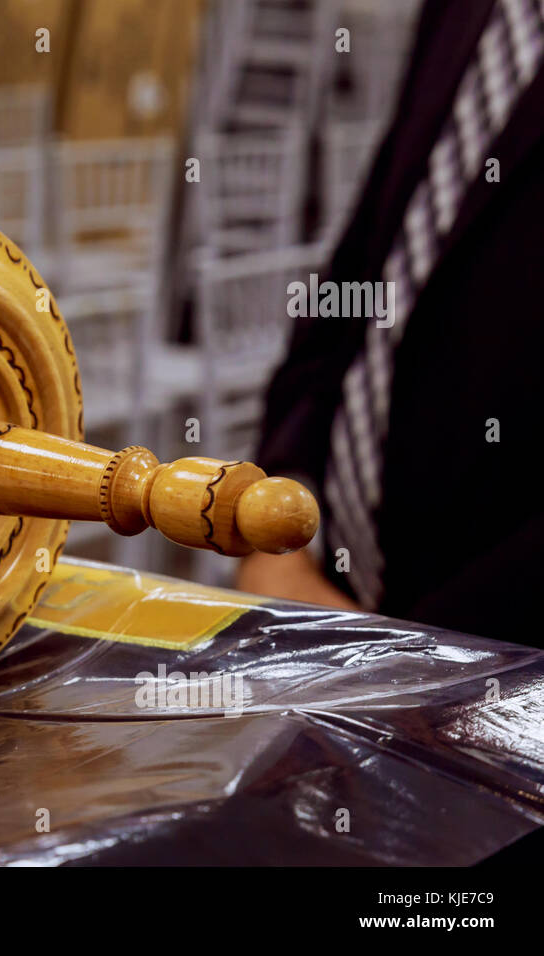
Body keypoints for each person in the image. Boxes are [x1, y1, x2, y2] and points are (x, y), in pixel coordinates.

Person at [236, 0, 544, 643]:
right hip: (333, 600)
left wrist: (425, 654)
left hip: (492, 673)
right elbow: (371, 255)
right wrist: (281, 507)